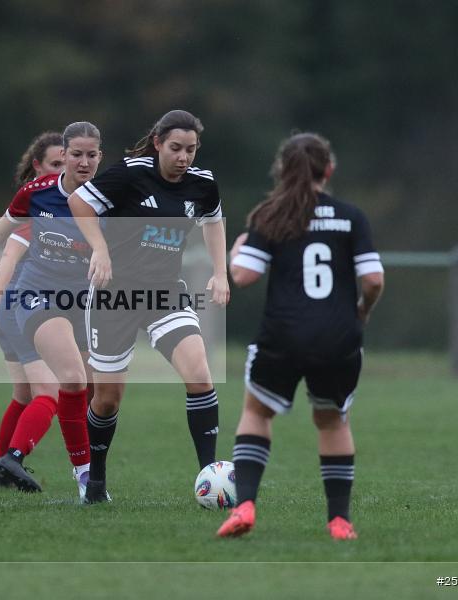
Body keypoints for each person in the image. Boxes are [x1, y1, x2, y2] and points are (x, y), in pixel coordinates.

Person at [217, 132, 384, 540]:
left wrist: (237, 251)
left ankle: (244, 506)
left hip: (284, 335)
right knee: (332, 422)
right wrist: (362, 311)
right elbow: (374, 280)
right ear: (329, 170)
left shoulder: (271, 215)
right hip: (338, 338)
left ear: (281, 170)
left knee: (257, 413)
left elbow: (244, 275)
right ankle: (339, 521)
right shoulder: (351, 216)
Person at [68, 109, 230, 504]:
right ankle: (96, 483)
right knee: (107, 399)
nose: (183, 157)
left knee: (200, 375)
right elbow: (79, 202)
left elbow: (213, 222)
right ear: (157, 143)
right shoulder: (130, 173)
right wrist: (100, 249)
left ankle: (209, 477)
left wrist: (220, 273)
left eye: (190, 149)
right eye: (175, 148)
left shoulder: (202, 184)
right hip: (114, 295)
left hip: (165, 293)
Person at [0, 122, 103, 498]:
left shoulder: (104, 199)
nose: (80, 163)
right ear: (46, 164)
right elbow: (4, 249)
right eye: (69, 157)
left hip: (75, 304)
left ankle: (3, 467)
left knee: (32, 393)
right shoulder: (37, 200)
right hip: (28, 301)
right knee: (57, 387)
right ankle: (59, 469)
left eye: (90, 155)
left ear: (100, 157)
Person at [0, 132, 64, 486]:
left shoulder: (60, 204)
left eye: (66, 163)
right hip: (19, 308)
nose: (62, 171)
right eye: (55, 164)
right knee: (50, 393)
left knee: (23, 395)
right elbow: (8, 258)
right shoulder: (39, 205)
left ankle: (0, 474)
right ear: (37, 166)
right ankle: (12, 459)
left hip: (15, 307)